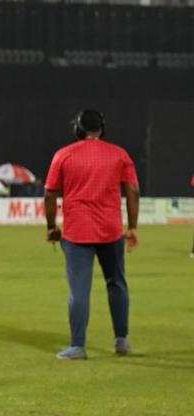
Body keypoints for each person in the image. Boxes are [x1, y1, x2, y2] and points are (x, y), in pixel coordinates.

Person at [44, 109, 139, 359]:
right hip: (111, 230)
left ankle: (78, 345)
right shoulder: (119, 155)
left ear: (78, 129)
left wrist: (51, 226)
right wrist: (133, 227)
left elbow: (50, 193)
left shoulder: (63, 155)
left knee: (79, 290)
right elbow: (133, 191)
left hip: (77, 233)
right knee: (117, 283)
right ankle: (122, 340)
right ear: (102, 129)